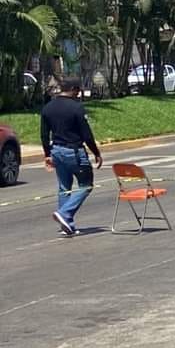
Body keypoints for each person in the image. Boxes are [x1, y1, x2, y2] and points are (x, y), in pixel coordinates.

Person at [40, 77, 102, 236]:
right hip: (74, 151)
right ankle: (65, 213)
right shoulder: (76, 108)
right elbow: (87, 135)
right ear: (73, 89)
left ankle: (67, 224)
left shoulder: (48, 108)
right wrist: (96, 153)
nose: (79, 93)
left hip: (56, 150)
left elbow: (44, 134)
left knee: (64, 187)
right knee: (86, 184)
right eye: (78, 90)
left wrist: (47, 154)